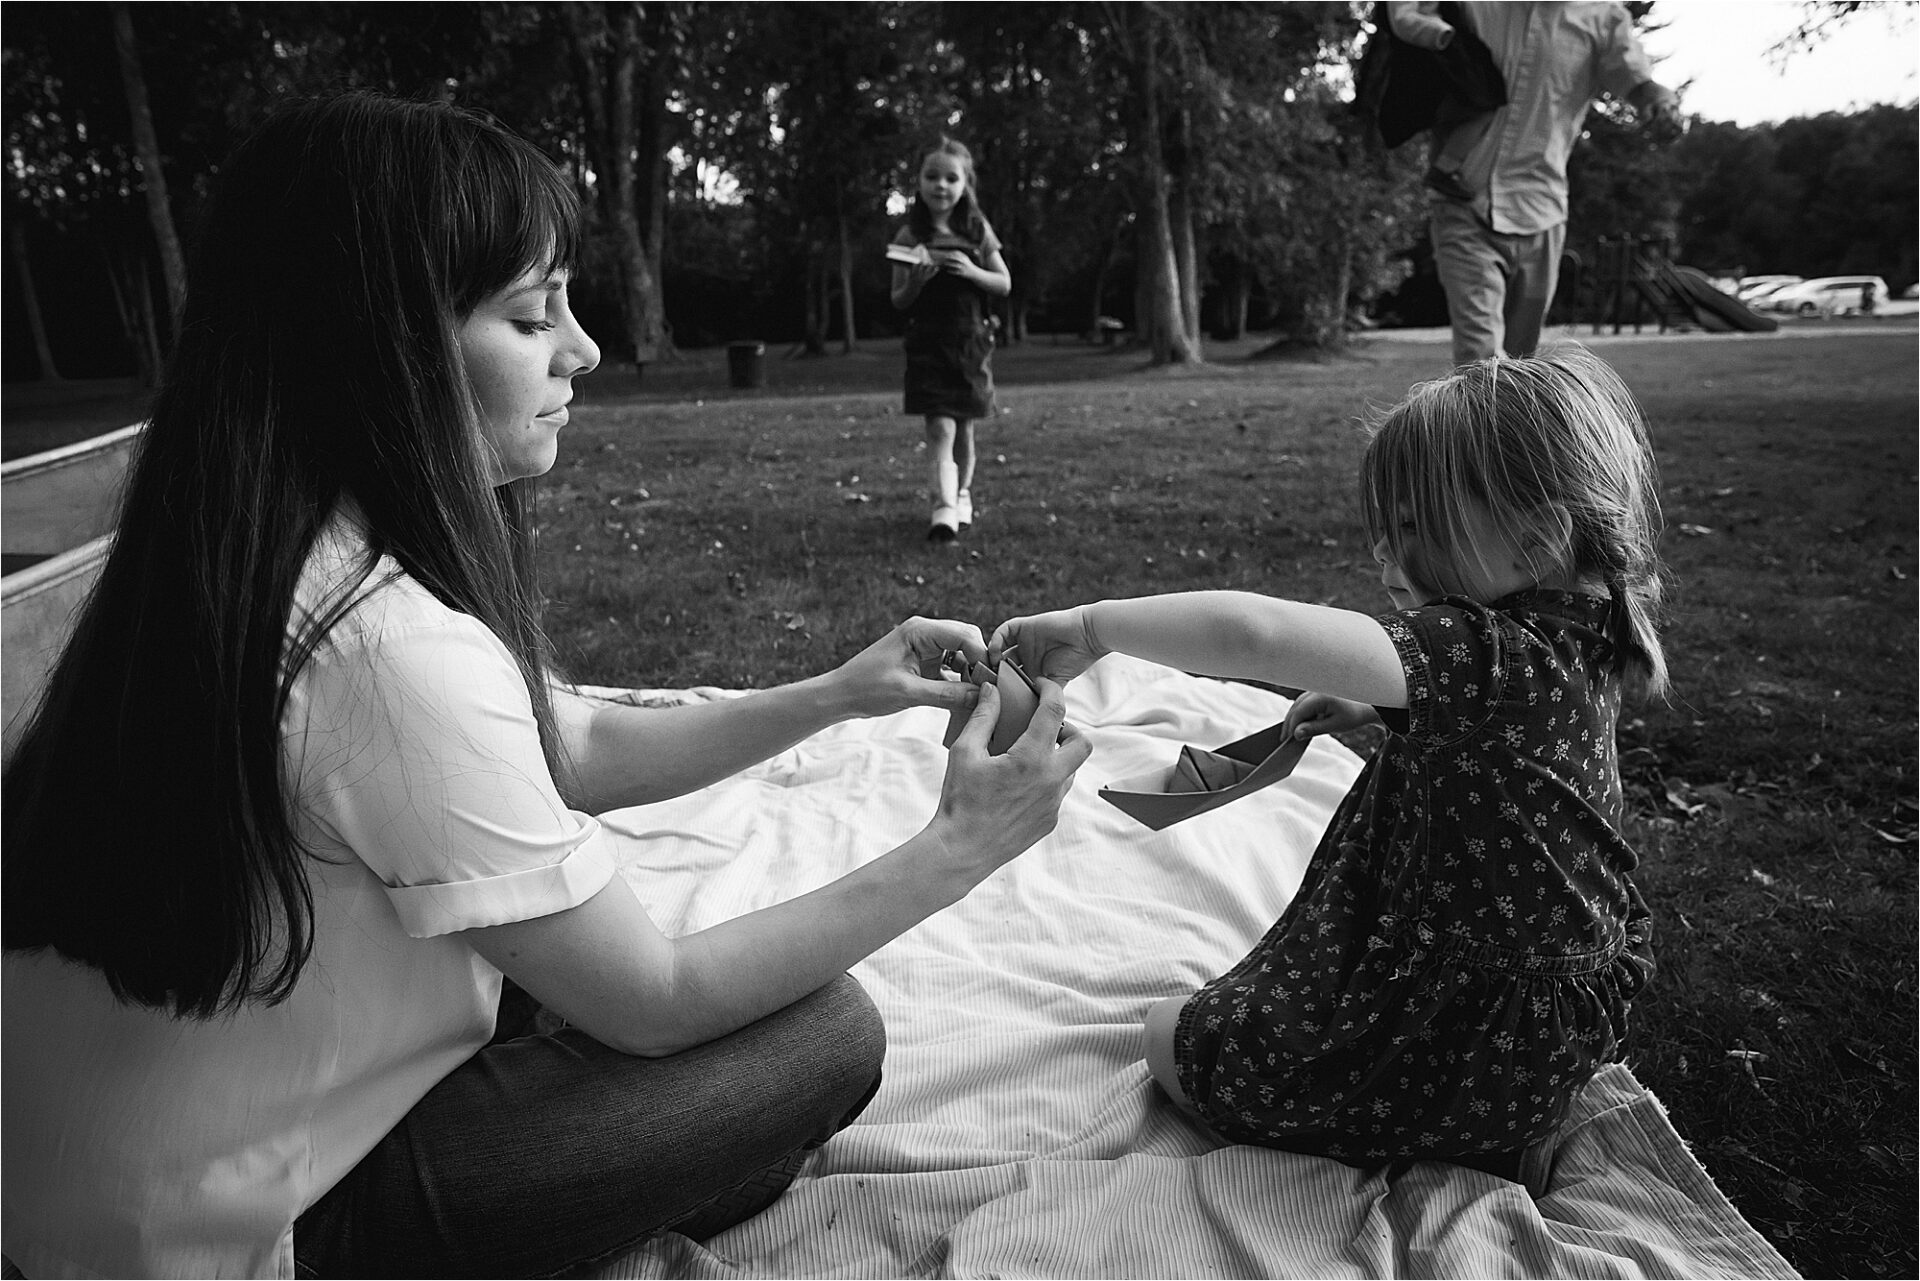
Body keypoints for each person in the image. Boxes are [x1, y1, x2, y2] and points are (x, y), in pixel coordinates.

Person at [0, 93, 1089, 1280]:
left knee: (624, 952)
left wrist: (836, 692)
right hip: (252, 1229)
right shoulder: (386, 648)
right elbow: (655, 1001)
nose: (585, 350)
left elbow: (564, 744)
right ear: (382, 345)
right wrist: (964, 845)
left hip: (99, 1174)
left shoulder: (252, 550)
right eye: (532, 315)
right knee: (827, 1033)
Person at [992, 347, 1667, 1187]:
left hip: (1462, 1040)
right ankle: (1496, 1119)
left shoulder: (1483, 651)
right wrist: (1374, 705)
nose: (1385, 552)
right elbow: (1511, 746)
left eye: (1415, 526)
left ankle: (1458, 1131)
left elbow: (1254, 634)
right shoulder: (1579, 628)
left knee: (1171, 1041)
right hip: (1545, 1027)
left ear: (1536, 538)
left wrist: (1092, 627)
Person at [1415, 2, 1681, 367]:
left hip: (1542, 209)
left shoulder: (1602, 17)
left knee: (1522, 361)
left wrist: (1661, 103)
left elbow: (1636, 80)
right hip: (1463, 196)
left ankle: (1512, 407)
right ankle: (1482, 404)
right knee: (1480, 358)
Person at [889, 137, 1012, 543]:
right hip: (928, 345)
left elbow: (1004, 283)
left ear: (965, 184)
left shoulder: (977, 231)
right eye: (932, 176)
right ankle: (942, 508)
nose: (940, 185)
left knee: (964, 429)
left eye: (951, 178)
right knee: (940, 427)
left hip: (969, 344)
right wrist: (916, 282)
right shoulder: (909, 236)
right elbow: (898, 299)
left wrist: (973, 272)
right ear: (919, 182)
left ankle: (960, 495)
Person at [1385, 1, 1505, 202]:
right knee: (1485, 105)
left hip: (1449, 53)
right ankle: (1443, 171)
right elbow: (1402, 19)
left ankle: (1441, 178)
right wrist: (1440, 33)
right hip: (1434, 58)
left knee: (1461, 114)